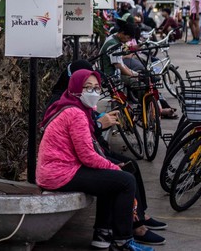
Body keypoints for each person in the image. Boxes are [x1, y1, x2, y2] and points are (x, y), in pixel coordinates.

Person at [46, 61, 167, 246]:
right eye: (87, 87)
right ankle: (125, 236)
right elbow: (86, 152)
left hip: (69, 164)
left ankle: (113, 230)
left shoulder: (79, 106)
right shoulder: (72, 109)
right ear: (75, 85)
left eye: (96, 88)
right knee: (123, 177)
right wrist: (111, 164)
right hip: (63, 169)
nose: (93, 92)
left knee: (122, 172)